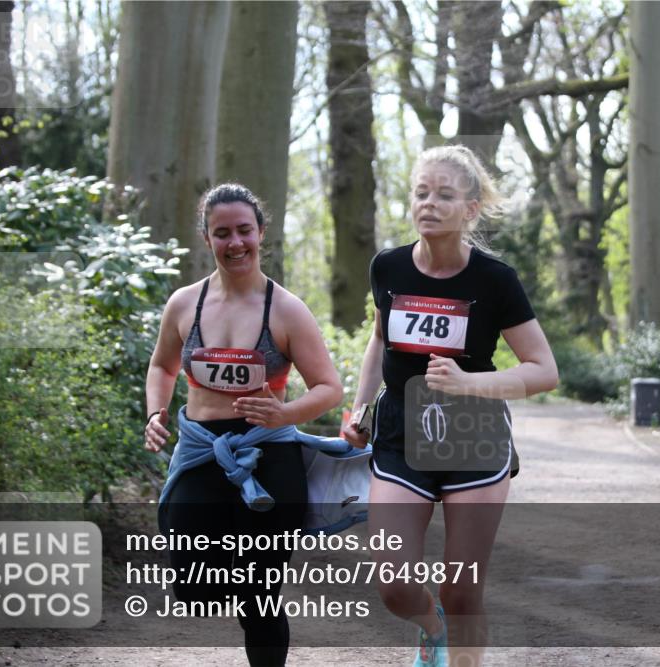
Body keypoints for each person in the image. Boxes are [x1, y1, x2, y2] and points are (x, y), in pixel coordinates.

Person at [342, 145, 559, 667]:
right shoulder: (387, 267)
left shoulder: (495, 280)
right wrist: (359, 407)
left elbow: (544, 370)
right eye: (421, 193)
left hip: (473, 431)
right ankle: (431, 629)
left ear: (471, 208)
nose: (429, 204)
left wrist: (468, 383)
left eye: (444, 195)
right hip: (400, 432)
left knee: (462, 590)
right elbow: (379, 340)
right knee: (393, 584)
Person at [144, 183, 343, 666]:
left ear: (261, 233)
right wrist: (156, 412)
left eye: (244, 231)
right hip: (200, 450)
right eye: (222, 233)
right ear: (206, 238)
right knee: (194, 583)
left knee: (260, 592)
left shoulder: (287, 309)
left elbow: (328, 388)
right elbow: (162, 367)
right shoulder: (184, 304)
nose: (235, 243)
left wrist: (286, 412)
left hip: (268, 455)